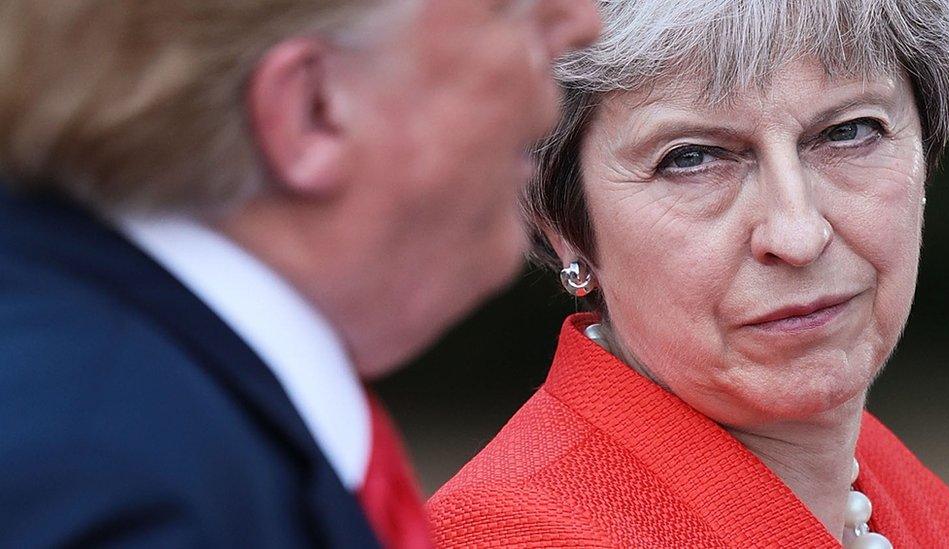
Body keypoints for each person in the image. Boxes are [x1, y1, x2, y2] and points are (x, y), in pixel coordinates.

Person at [0, 1, 600, 547]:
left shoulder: (147, 402)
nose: (580, 22)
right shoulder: (117, 486)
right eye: (506, 9)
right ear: (314, 108)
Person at [428, 0, 949, 547]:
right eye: (691, 159)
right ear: (563, 225)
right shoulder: (515, 530)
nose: (798, 236)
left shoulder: (900, 491)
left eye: (849, 132)